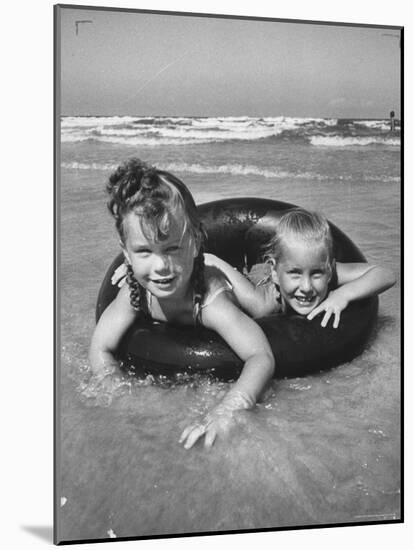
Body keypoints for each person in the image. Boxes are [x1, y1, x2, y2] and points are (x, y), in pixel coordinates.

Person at [89, 158, 275, 449]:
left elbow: (260, 355)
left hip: (215, 278)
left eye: (173, 248)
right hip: (194, 264)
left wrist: (229, 408)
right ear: (126, 253)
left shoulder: (210, 303)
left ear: (197, 240)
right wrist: (109, 382)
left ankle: (216, 261)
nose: (161, 266)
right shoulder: (135, 292)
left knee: (263, 308)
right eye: (144, 251)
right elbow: (101, 345)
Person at [204, 208, 396, 328]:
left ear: (329, 269)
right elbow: (215, 263)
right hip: (253, 279)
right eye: (295, 273)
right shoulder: (262, 304)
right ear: (275, 272)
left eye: (317, 273)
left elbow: (386, 275)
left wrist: (343, 295)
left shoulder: (329, 272)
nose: (306, 286)